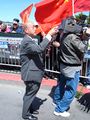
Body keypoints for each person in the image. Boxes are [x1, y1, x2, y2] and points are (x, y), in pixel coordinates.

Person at [20, 21, 58, 120]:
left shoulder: (29, 39)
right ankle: (26, 115)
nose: (35, 28)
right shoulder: (27, 41)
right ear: (26, 30)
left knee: (29, 93)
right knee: (30, 94)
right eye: (33, 27)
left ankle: (28, 109)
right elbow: (39, 49)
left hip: (32, 72)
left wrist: (47, 38)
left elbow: (38, 50)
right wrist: (49, 35)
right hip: (31, 74)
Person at [52, 17, 90, 117]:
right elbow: (84, 49)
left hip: (64, 65)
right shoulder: (73, 37)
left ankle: (56, 101)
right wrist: (87, 36)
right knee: (71, 90)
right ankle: (60, 109)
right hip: (72, 67)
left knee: (61, 84)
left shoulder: (63, 35)